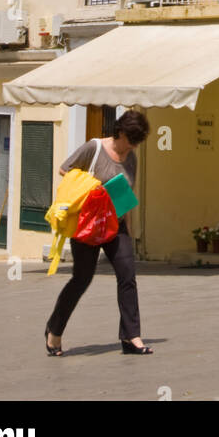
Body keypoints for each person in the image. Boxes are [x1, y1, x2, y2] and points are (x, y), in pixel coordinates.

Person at [45, 109, 153, 356]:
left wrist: (130, 224)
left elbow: (125, 191)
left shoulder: (131, 158)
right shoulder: (93, 148)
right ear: (121, 132)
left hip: (116, 224)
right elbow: (65, 169)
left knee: (127, 275)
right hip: (88, 223)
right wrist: (93, 186)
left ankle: (131, 336)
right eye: (132, 141)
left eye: (137, 143)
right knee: (81, 279)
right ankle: (54, 330)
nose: (133, 147)